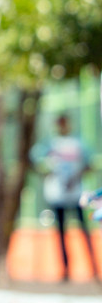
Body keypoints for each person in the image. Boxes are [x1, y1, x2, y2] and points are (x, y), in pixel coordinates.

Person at [30, 114, 96, 282]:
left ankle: (94, 268)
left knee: (84, 231)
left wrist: (76, 176)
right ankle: (66, 269)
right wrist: (47, 172)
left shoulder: (78, 143)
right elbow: (35, 161)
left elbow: (90, 163)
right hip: (57, 195)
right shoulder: (50, 144)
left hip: (76, 194)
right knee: (61, 234)